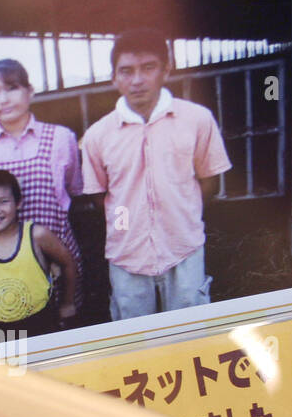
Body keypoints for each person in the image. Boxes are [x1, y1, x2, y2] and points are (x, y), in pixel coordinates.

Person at [81, 28, 232, 321]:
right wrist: (126, 221)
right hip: (127, 256)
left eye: (148, 68)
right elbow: (101, 196)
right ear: (114, 77)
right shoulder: (97, 136)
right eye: (126, 71)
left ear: (166, 69)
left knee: (191, 333)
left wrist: (179, 212)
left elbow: (208, 180)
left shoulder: (197, 120)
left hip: (184, 250)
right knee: (136, 340)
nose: (137, 80)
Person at [0, 59, 86, 313]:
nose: (3, 99)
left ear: (30, 92)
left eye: (12, 88)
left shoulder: (61, 138)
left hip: (59, 260)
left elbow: (73, 188)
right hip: (3, 269)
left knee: (64, 330)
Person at [0, 169, 77, 336]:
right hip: (0, 330)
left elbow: (68, 263)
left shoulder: (36, 235)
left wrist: (68, 303)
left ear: (18, 203)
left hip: (43, 323)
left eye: (3, 201)